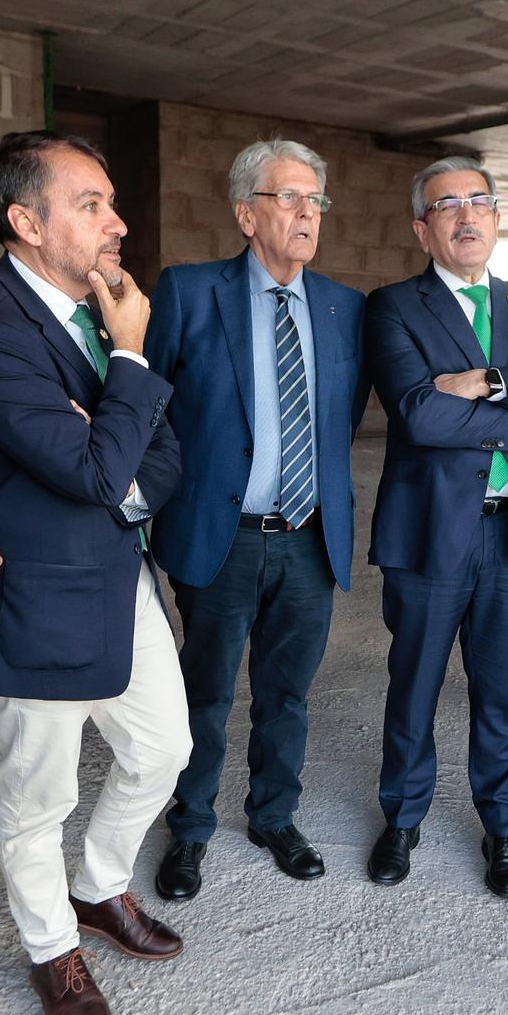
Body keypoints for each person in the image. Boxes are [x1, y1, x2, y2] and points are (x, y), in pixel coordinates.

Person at [0, 130, 190, 1015]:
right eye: (91, 203)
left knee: (165, 747)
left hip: (118, 574)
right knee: (35, 797)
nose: (117, 221)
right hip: (35, 595)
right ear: (25, 221)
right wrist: (127, 361)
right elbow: (92, 469)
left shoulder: (97, 304)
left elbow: (156, 452)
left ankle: (98, 885)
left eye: (110, 201)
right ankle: (52, 948)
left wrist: (111, 424)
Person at [363, 156, 508, 898]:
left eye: (479, 202)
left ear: (496, 219)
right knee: (416, 683)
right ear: (422, 229)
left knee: (501, 690)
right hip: (430, 532)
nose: (466, 215)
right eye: (447, 206)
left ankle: (503, 827)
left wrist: (490, 383)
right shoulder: (394, 305)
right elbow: (421, 414)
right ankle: (401, 819)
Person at [143, 139, 368, 900]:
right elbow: (154, 409)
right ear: (247, 213)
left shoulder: (344, 307)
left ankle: (275, 815)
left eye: (316, 201)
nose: (308, 214)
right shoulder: (189, 291)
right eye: (290, 198)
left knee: (288, 693)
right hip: (221, 534)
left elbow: (345, 415)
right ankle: (192, 827)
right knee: (203, 691)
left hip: (309, 536)